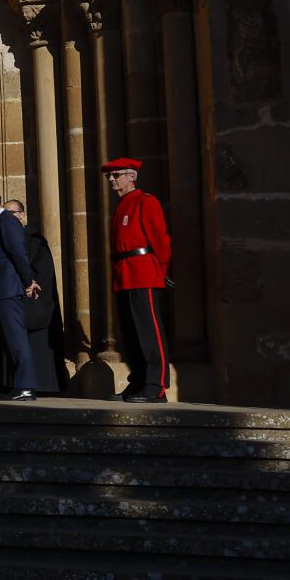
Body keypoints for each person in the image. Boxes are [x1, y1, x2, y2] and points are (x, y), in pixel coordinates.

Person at [104, 156, 174, 403]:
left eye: (116, 175)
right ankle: (140, 381)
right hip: (124, 273)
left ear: (131, 177)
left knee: (149, 331)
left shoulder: (146, 201)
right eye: (109, 176)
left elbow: (161, 241)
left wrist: (161, 271)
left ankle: (157, 386)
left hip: (144, 272)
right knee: (131, 333)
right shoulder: (122, 204)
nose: (111, 179)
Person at [0, 185, 40, 401]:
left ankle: (26, 386)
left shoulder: (7, 222)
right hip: (1, 290)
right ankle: (20, 384)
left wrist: (28, 280)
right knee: (11, 340)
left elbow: (18, 254)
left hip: (8, 289)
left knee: (17, 338)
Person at [4, 200, 67, 394]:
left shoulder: (35, 241)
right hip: (14, 299)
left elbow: (43, 272)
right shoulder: (5, 238)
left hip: (34, 301)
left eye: (11, 214)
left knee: (38, 345)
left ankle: (44, 385)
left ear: (22, 215)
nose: (8, 219)